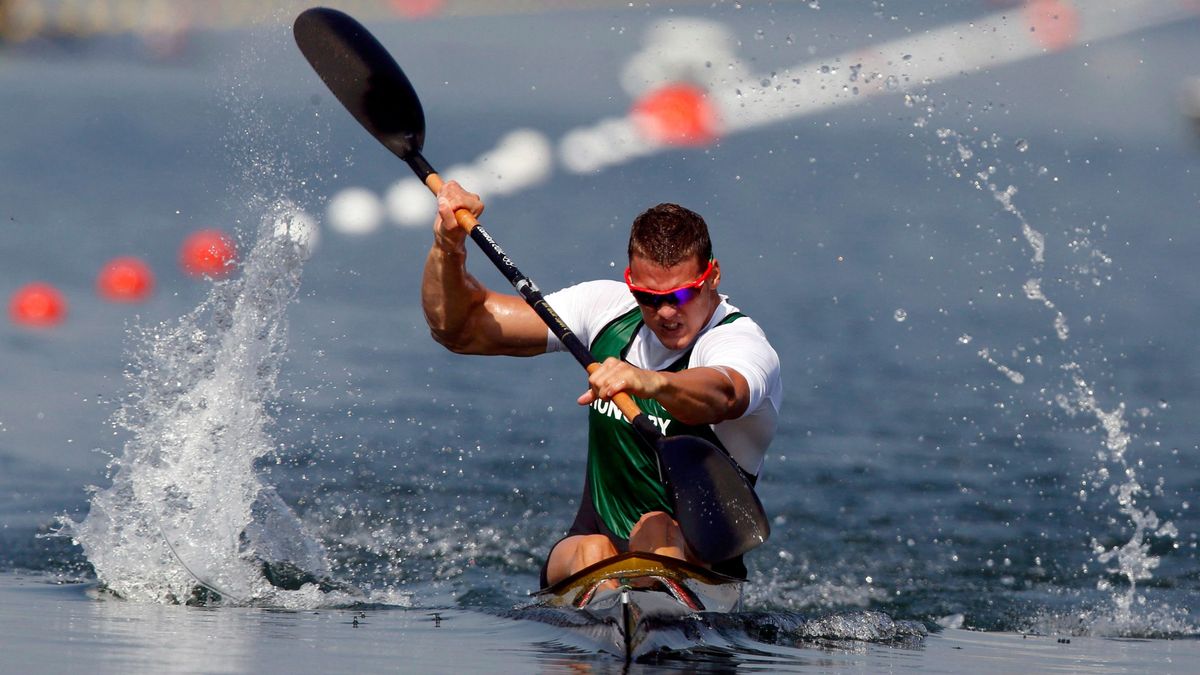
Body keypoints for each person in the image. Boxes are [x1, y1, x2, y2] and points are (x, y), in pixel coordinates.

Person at [421, 181, 782, 587]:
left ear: (712, 276)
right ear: (630, 281)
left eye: (681, 295)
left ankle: (640, 605)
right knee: (591, 551)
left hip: (699, 567)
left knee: (657, 527)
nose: (665, 312)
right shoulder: (606, 308)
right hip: (593, 557)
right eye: (648, 297)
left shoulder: (739, 342)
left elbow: (723, 394)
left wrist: (649, 382)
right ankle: (614, 612)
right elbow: (461, 328)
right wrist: (447, 246)